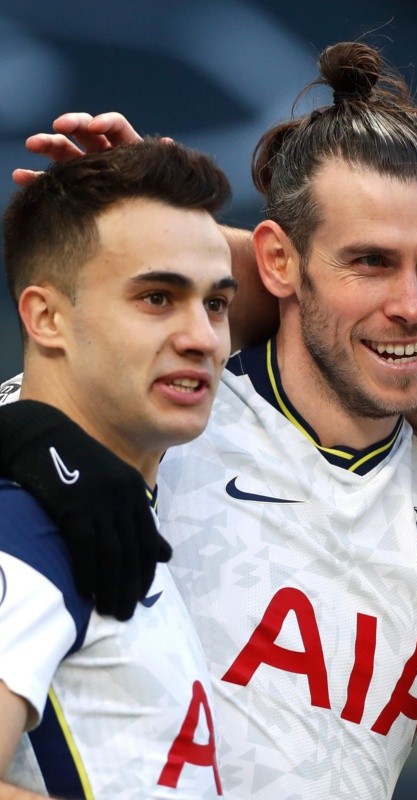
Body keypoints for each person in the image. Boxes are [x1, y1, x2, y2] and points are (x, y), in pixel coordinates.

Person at [1, 42, 417, 798]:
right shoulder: (145, 426)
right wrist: (144, 236)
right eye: (369, 261)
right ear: (277, 261)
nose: (411, 303)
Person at [0, 139, 236, 797]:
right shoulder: (27, 532)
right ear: (46, 317)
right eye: (157, 298)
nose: (203, 338)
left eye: (216, 304)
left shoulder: (102, 501)